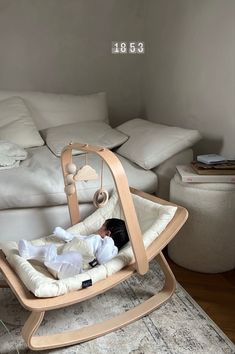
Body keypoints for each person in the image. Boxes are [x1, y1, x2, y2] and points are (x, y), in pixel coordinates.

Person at [18, 218, 129, 279]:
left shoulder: (112, 248)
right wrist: (64, 234)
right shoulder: (94, 238)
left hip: (75, 268)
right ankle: (29, 251)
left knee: (73, 257)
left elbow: (102, 259)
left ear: (108, 233)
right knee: (50, 248)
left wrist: (108, 240)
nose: (98, 228)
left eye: (102, 226)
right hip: (63, 257)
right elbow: (77, 238)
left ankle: (52, 260)